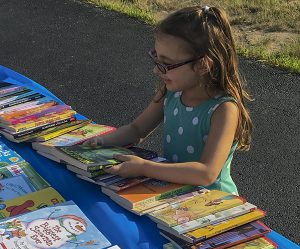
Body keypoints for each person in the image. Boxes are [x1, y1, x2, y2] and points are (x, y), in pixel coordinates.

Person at [84, 5, 252, 195]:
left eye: (167, 64)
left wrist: (144, 167)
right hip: (175, 193)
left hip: (215, 203)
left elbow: (206, 173)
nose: (156, 70)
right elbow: (137, 129)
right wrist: (99, 142)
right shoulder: (172, 92)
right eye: (156, 59)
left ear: (203, 65)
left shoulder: (223, 109)